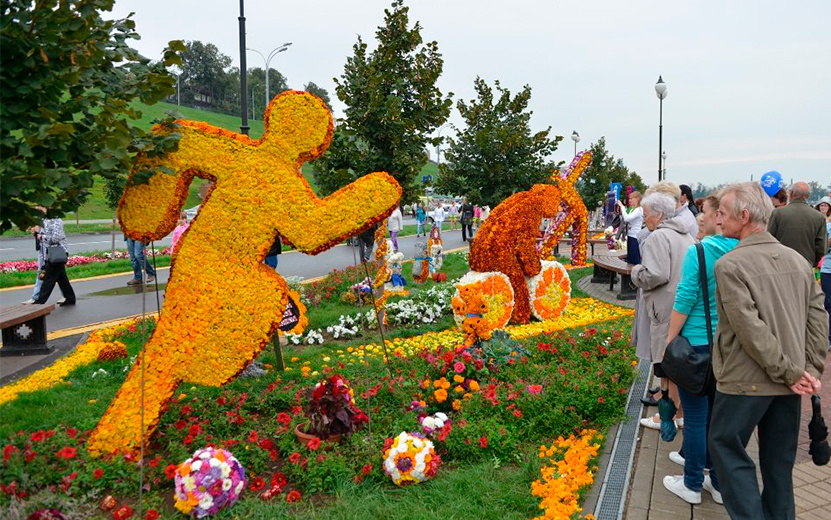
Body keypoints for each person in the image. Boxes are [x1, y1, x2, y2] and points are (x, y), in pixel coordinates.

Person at [708, 182, 827, 520]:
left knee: (725, 447)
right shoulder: (799, 262)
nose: (717, 219)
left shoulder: (730, 265)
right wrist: (809, 371)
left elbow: (750, 330)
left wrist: (794, 373)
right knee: (779, 465)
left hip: (746, 382)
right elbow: (818, 319)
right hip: (789, 382)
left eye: (723, 212)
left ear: (744, 216)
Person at [662, 194, 738, 506]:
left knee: (694, 417)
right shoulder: (739, 249)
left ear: (718, 215)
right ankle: (718, 484)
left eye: (703, 212)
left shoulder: (700, 252)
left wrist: (669, 340)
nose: (699, 217)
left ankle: (692, 484)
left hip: (695, 345)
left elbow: (685, 297)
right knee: (719, 419)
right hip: (729, 344)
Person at [631, 193, 694, 430]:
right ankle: (678, 412)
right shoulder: (686, 235)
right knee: (678, 361)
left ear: (658, 215)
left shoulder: (658, 237)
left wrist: (636, 272)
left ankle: (665, 417)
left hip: (664, 307)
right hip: (682, 306)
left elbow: (656, 274)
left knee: (667, 364)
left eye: (646, 215)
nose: (645, 220)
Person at [767, 181, 828, 267]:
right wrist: (812, 262)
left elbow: (769, 239)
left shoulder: (778, 213)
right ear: (808, 196)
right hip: (806, 264)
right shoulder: (819, 217)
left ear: (791, 194)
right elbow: (821, 247)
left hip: (781, 264)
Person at [32, 210, 76, 306]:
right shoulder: (43, 219)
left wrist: (42, 237)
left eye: (39, 206)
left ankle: (39, 302)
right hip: (50, 253)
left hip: (57, 252)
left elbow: (56, 237)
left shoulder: (55, 219)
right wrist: (36, 232)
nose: (37, 208)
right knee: (61, 278)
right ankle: (70, 298)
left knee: (49, 277)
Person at [816, 196, 831, 349]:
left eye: (827, 205)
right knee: (827, 302)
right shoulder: (823, 223)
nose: (824, 207)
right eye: (822, 205)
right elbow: (822, 244)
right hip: (825, 266)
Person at [617, 191, 643, 264]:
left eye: (631, 199)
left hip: (635, 236)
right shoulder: (632, 209)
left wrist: (622, 206)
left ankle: (635, 274)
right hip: (630, 235)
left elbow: (627, 218)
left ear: (637, 199)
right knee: (630, 259)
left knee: (634, 259)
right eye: (629, 199)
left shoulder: (639, 209)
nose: (630, 200)